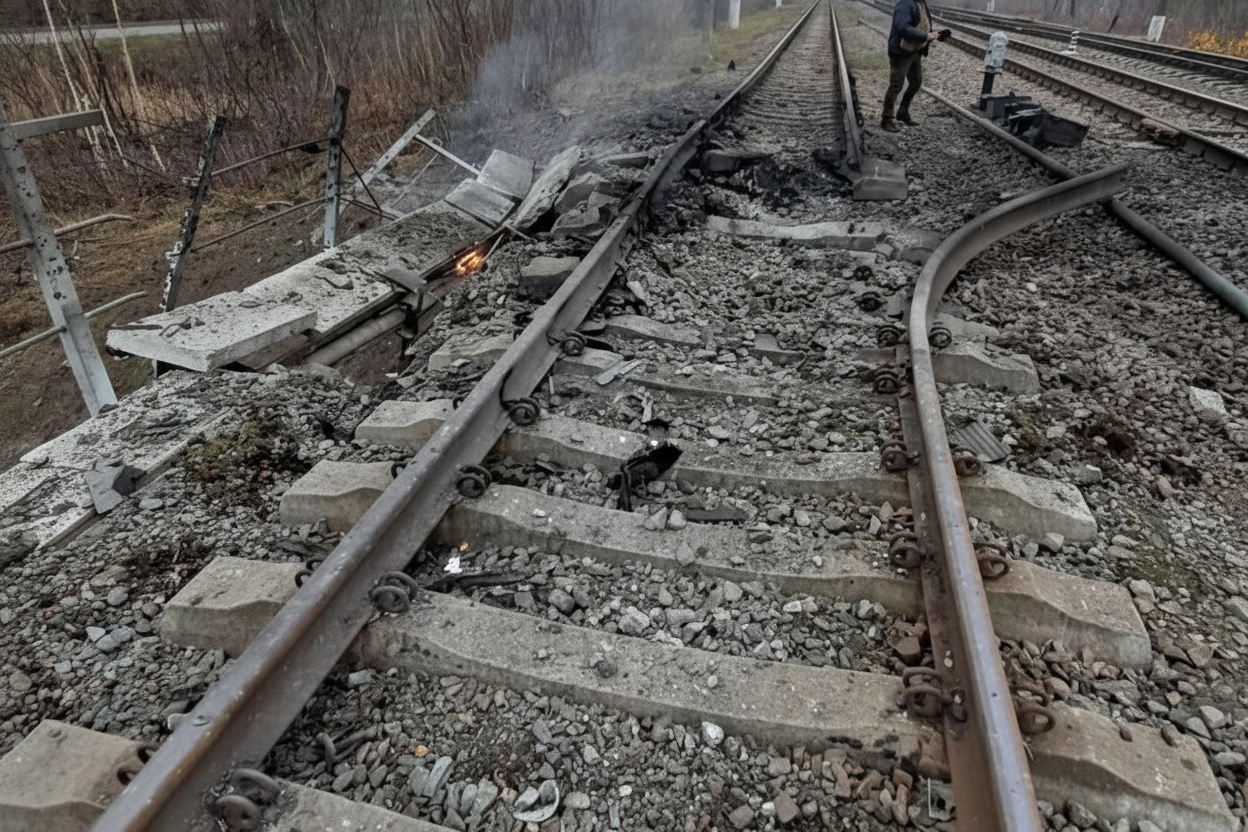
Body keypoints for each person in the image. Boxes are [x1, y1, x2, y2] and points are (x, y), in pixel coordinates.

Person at [881, 0, 941, 132]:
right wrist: (926, 35)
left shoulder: (921, 3)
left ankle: (903, 112)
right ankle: (886, 118)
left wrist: (934, 34)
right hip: (900, 52)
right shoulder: (905, 3)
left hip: (915, 50)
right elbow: (903, 27)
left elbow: (923, 24)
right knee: (896, 85)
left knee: (916, 82)